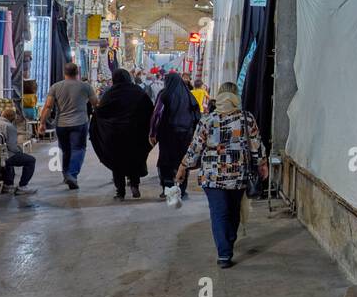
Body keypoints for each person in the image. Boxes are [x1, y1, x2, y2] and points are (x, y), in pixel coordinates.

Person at [179, 86, 267, 268]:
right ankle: (228, 244)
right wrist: (262, 164)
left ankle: (224, 252)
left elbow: (195, 148)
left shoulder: (208, 120)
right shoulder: (246, 118)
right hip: (238, 175)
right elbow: (256, 146)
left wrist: (183, 166)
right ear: (235, 97)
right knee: (233, 211)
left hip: (212, 177)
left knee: (219, 213)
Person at [90, 68, 154, 200]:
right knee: (134, 159)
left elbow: (100, 112)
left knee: (117, 163)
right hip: (135, 134)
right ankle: (135, 186)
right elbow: (149, 110)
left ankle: (120, 192)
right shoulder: (138, 92)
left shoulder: (110, 94)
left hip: (115, 136)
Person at [37, 61, 98, 189]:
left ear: (64, 73)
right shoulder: (85, 87)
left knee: (66, 151)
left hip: (61, 124)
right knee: (78, 149)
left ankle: (66, 174)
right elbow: (96, 104)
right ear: (77, 73)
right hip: (79, 123)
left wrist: (42, 123)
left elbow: (48, 106)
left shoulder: (55, 87)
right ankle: (72, 175)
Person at [150, 71, 200, 199]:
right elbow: (196, 115)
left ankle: (168, 189)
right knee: (183, 162)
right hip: (186, 134)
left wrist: (153, 133)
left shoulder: (164, 94)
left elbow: (157, 115)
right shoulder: (189, 95)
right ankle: (181, 190)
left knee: (166, 161)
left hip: (168, 135)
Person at [0, 102, 36, 195]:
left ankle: (8, 185)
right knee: (29, 160)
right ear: (13, 119)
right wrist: (20, 150)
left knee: (8, 155)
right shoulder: (9, 126)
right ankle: (22, 186)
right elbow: (12, 147)